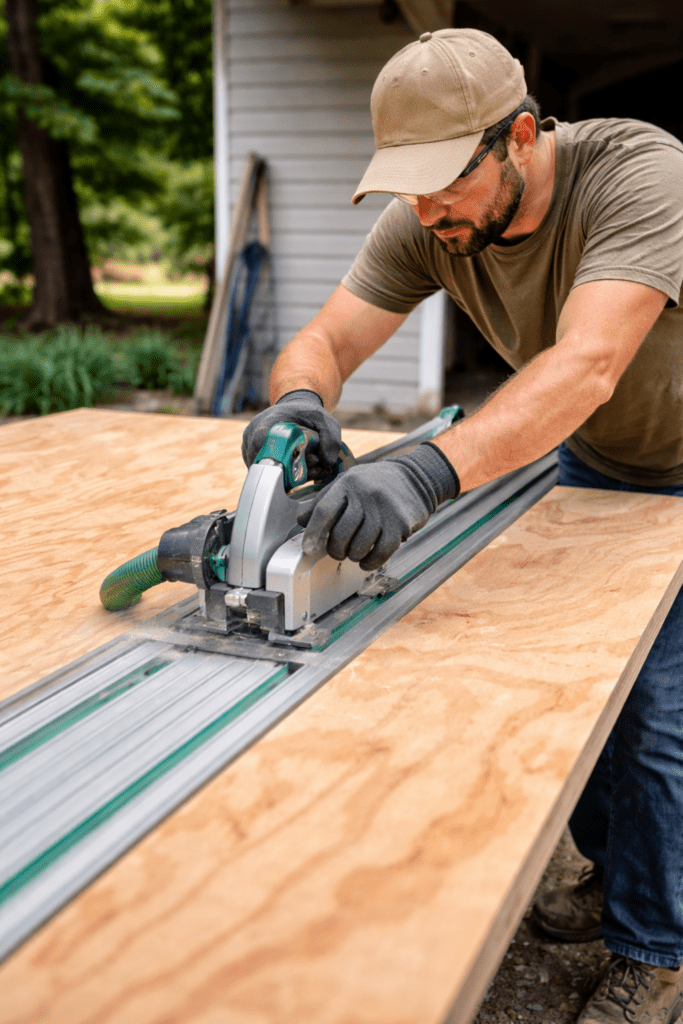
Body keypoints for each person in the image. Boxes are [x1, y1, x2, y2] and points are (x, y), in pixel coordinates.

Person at [241, 28, 683, 1023]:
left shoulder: (640, 174)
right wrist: (299, 403)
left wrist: (424, 471)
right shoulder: (430, 216)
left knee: (655, 708)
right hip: (596, 458)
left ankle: (656, 949)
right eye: (408, 189)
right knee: (579, 678)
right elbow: (325, 338)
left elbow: (587, 366)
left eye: (443, 184)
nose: (425, 211)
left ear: (519, 137)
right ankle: (613, 872)